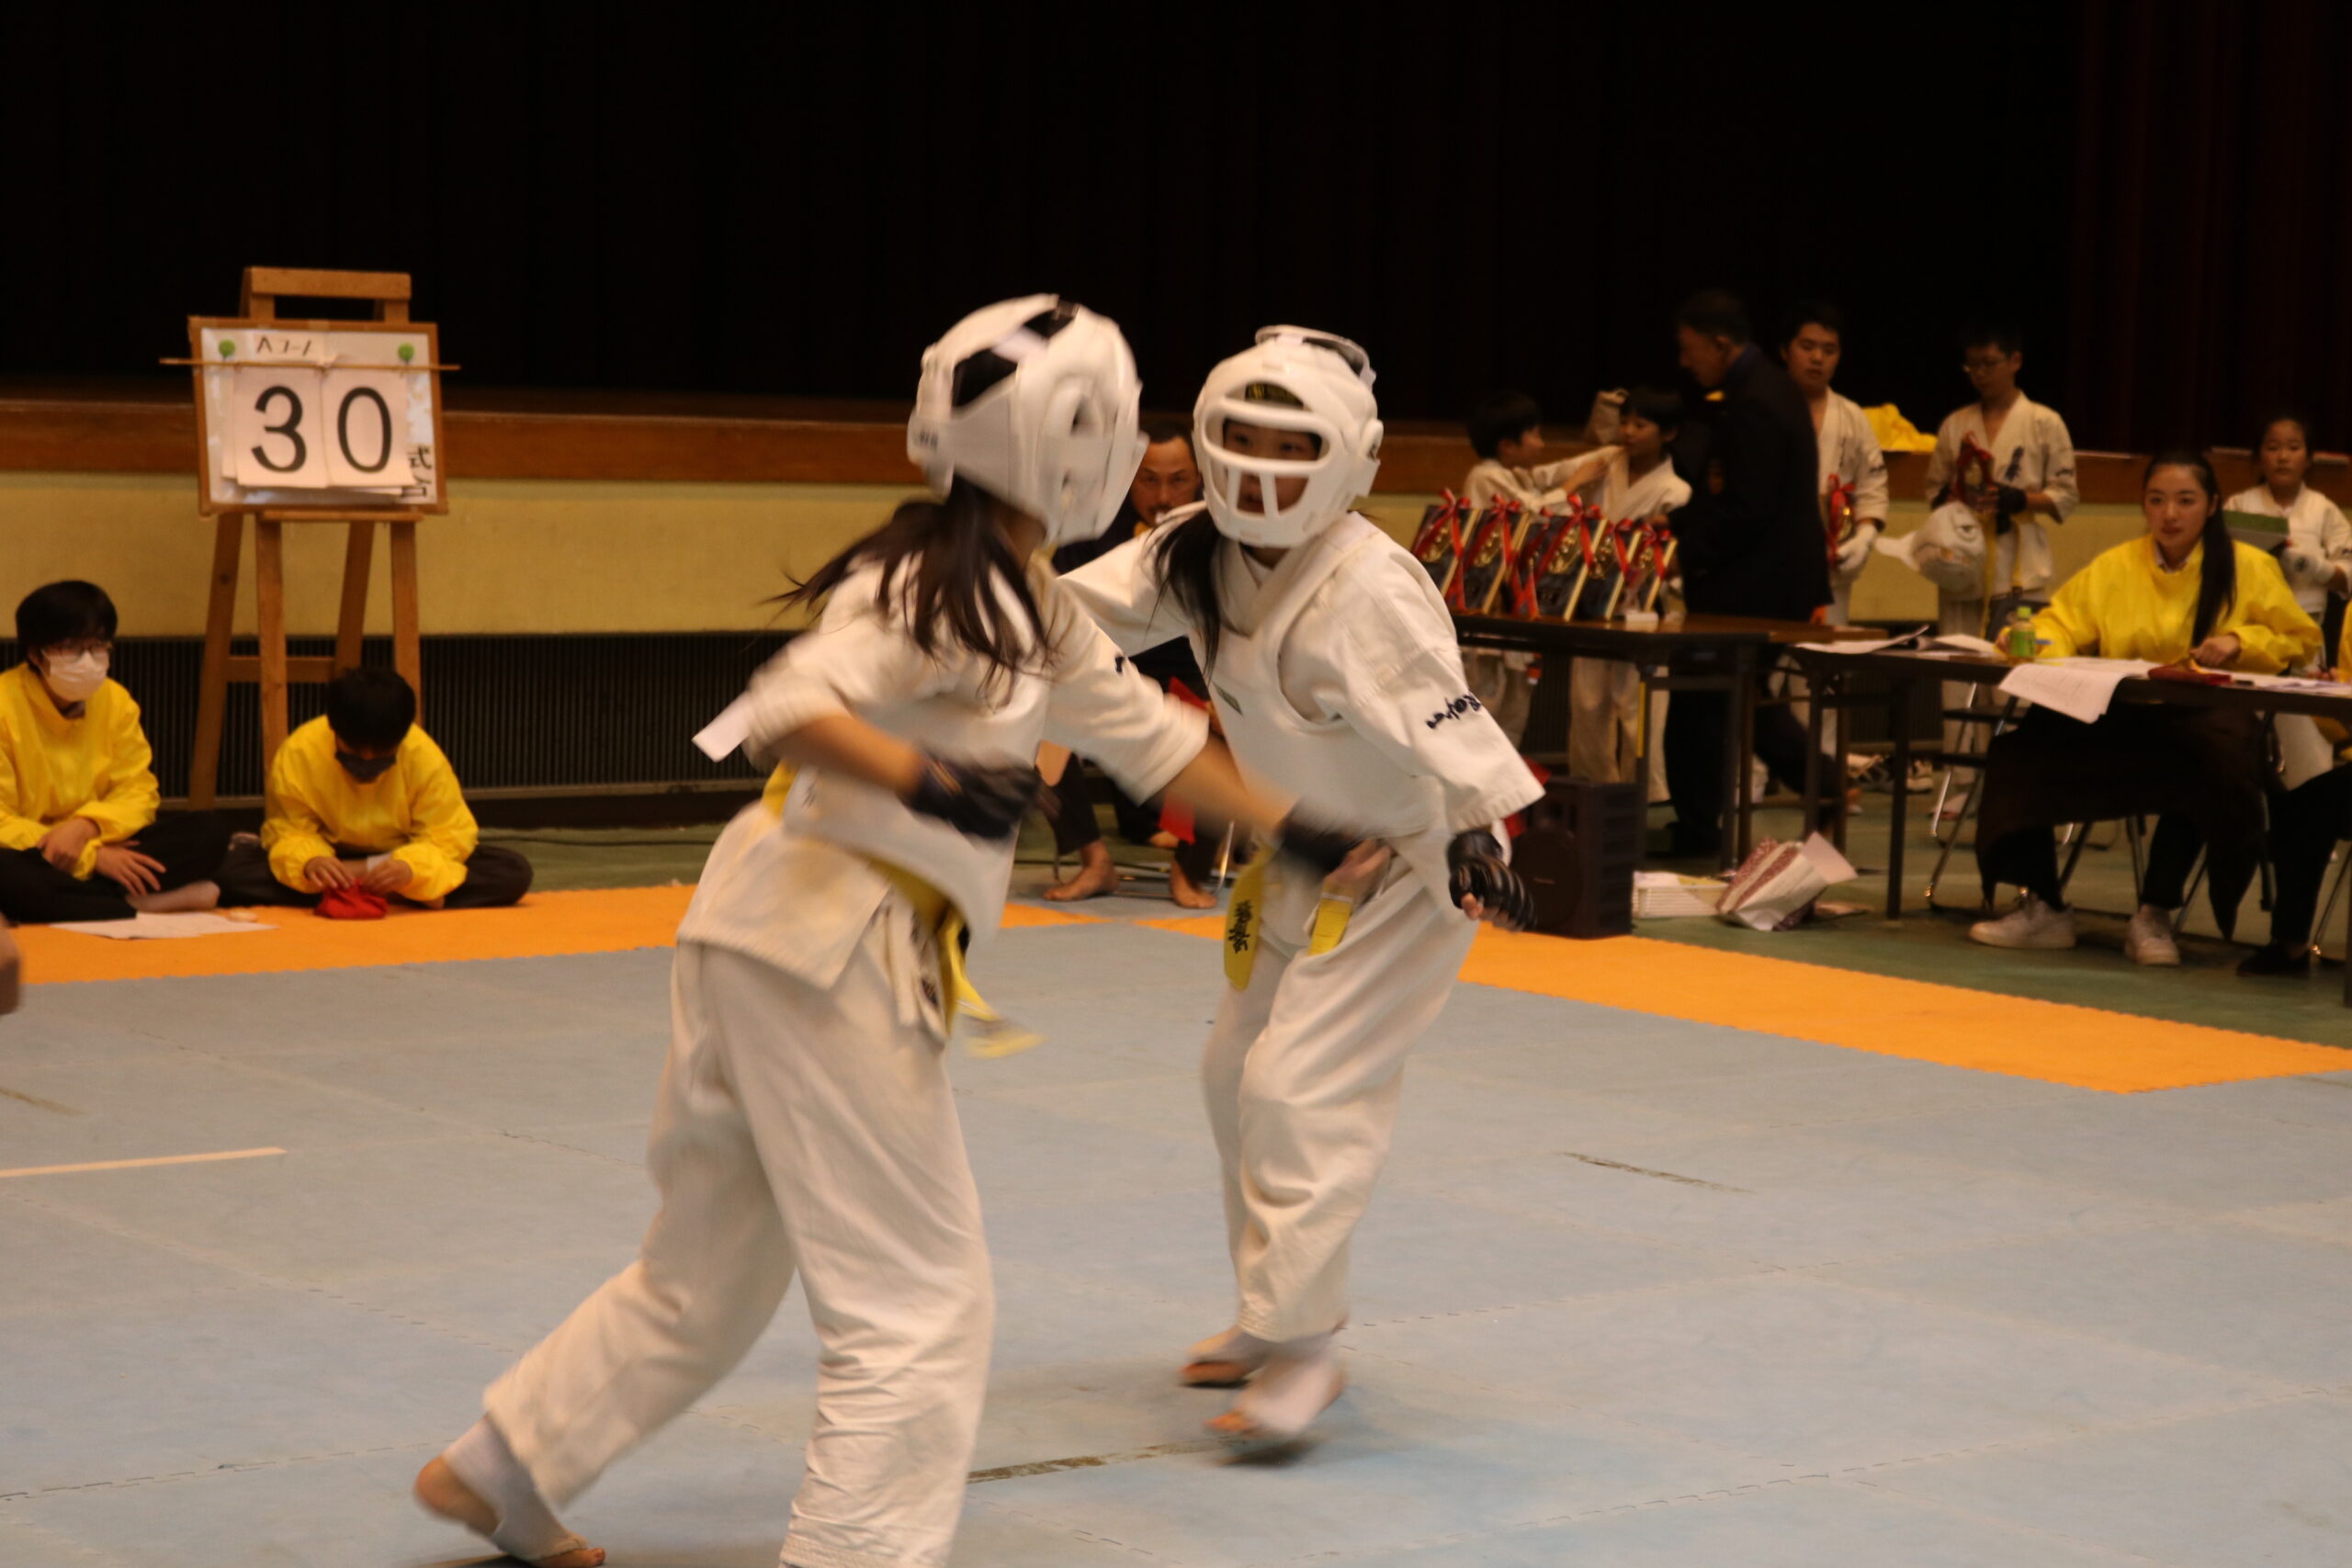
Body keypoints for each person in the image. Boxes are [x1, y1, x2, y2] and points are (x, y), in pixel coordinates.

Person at [413, 298, 1352, 1568]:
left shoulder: (1021, 600)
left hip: (764, 932)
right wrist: (931, 782)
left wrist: (1312, 830)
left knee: (710, 1271)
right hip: (834, 949)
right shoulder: (931, 583)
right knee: (918, 1306)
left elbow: (1158, 740)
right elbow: (789, 705)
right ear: (1080, 445)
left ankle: (501, 1465)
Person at [1063, 326, 1542, 1451]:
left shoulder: (1369, 587)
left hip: (1410, 869)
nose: (1262, 468)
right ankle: (1268, 1311)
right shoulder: (1199, 547)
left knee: (1297, 1089)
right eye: (1244, 436)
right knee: (1233, 1078)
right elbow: (1064, 614)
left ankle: (1308, 1346)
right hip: (1297, 854)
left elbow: (1453, 729)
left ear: (1347, 460)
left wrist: (1481, 842)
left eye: (1292, 446)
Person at [1968, 451, 2317, 964]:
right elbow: (2062, 622)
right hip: (2122, 711)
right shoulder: (2116, 565)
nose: (2169, 514)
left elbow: (2299, 638)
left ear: (2212, 505)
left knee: (2209, 760)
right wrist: (2029, 639)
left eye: (2185, 501)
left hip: (2201, 714)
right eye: (2157, 500)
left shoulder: (2249, 566)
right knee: (2022, 749)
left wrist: (2241, 641)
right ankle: (2044, 903)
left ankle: (2155, 912)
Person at [1660, 289, 1833, 858]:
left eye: (1690, 349)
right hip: (1761, 580)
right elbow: (1731, 492)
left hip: (1757, 585)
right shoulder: (1755, 391)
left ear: (1719, 343)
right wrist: (1675, 523)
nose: (1685, 361)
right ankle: (1820, 786)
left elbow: (1748, 508)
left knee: (1708, 698)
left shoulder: (1758, 401)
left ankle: (1702, 827)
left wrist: (1687, 551)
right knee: (1733, 700)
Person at [1041, 418, 1223, 906]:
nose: (1163, 495)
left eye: (1178, 481)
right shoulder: (1092, 525)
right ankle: (1094, 861)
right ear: (1128, 477)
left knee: (1232, 725)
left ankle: (1189, 871)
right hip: (1103, 670)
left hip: (1192, 676)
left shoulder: (1216, 530)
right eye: (1148, 480)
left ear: (1200, 478)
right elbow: (1052, 616)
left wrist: (1223, 697)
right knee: (1035, 719)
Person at [212, 668, 531, 911]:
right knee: (226, 872)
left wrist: (410, 869)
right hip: (331, 858)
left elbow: (447, 834)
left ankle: (351, 889)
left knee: (512, 871)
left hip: (400, 856)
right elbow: (290, 830)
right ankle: (398, 894)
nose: (366, 761)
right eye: (353, 752)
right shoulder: (299, 751)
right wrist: (310, 862)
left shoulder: (422, 754)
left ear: (403, 736)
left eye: (382, 755)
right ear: (333, 727)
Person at [0, 581, 226, 924]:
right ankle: (139, 904)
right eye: (70, 648)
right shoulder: (5, 704)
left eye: (97, 646)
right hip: (33, 850)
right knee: (6, 871)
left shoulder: (116, 699)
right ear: (34, 653)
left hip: (103, 839)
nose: (87, 660)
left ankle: (80, 902)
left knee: (208, 831)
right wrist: (93, 857)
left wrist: (87, 827)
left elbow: (139, 792)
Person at [1458, 392, 1620, 746]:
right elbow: (1531, 512)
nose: (1541, 443)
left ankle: (1506, 774)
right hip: (1488, 604)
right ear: (1507, 445)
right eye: (1534, 434)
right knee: (1487, 701)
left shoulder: (1514, 474)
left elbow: (1552, 474)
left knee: (1516, 705)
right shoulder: (1486, 476)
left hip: (1515, 602)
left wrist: (1608, 454)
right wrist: (1572, 486)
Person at [1569, 387, 1690, 784]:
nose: (1629, 432)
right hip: (1589, 597)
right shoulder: (1605, 464)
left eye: (1640, 424)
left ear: (1668, 433)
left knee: (1639, 705)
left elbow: (1674, 561)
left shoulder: (1675, 491)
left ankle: (1643, 792)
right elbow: (1559, 487)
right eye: (1624, 422)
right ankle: (1591, 787)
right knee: (1587, 703)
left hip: (1642, 608)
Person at [1780, 302, 1890, 626]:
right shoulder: (1763, 409)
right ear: (1785, 350)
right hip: (1770, 564)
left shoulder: (1852, 417)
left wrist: (1865, 537)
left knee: (1825, 651)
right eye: (1807, 347)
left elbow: (1873, 487)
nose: (1818, 358)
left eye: (1829, 350)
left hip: (1831, 562)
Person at [2223, 413, 2350, 648]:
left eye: (2293, 448)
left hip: (2307, 628)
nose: (2282, 457)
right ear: (2259, 457)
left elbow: (2347, 577)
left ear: (2308, 458)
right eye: (2273, 448)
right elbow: (2217, 564)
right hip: (2248, 629)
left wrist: (2311, 565)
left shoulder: (2323, 508)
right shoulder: (2238, 505)